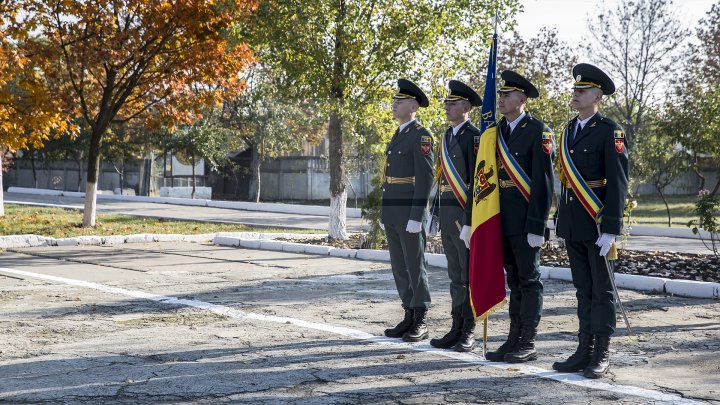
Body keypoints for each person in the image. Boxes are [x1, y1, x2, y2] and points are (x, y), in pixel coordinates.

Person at [552, 63, 628, 379]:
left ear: (597, 95)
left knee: (602, 290)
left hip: (597, 224)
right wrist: (560, 222)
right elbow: (565, 181)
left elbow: (618, 182)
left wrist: (611, 228)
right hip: (574, 223)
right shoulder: (568, 129)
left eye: (581, 91)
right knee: (583, 289)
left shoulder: (611, 131)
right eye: (574, 90)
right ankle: (583, 349)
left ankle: (602, 352)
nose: (576, 94)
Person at [484, 71, 555, 363]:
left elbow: (544, 182)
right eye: (499, 95)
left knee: (529, 280)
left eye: (507, 95)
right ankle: (513, 338)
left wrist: (537, 223)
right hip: (501, 219)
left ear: (521, 99)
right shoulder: (495, 132)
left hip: (526, 220)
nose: (500, 99)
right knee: (513, 280)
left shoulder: (538, 131)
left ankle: (528, 340)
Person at [428, 80, 482, 352]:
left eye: (453, 104)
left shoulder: (474, 137)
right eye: (447, 104)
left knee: (468, 276)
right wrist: (435, 214)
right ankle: (456, 326)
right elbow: (441, 179)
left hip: (464, 217)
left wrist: (470, 220)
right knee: (455, 276)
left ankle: (469, 329)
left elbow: (477, 183)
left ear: (466, 107)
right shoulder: (447, 136)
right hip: (448, 215)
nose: (447, 108)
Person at [381, 78, 435, 342]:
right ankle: (408, 313)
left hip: (409, 213)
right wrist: (384, 213)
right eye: (394, 101)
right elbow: (388, 177)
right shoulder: (399, 134)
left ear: (413, 105)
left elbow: (425, 179)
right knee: (399, 266)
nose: (394, 104)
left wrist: (417, 216)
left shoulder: (421, 136)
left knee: (415, 265)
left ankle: (421, 317)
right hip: (393, 210)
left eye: (399, 101)